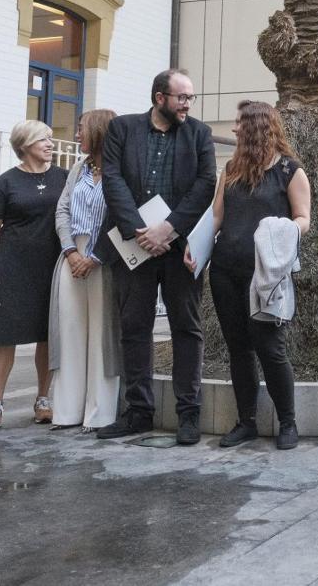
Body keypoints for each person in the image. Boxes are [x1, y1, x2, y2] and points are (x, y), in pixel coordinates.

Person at [99, 69, 216, 445]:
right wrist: (138, 229)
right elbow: (112, 179)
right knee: (134, 327)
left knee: (187, 327)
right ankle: (138, 413)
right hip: (133, 245)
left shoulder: (199, 134)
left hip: (180, 248)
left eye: (190, 98)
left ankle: (188, 414)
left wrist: (168, 229)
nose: (187, 104)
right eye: (181, 97)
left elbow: (205, 185)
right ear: (159, 97)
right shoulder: (123, 129)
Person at [186, 100, 310, 450]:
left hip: (266, 277)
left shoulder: (289, 170)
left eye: (240, 123)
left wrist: (279, 230)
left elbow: (304, 219)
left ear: (257, 127)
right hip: (225, 271)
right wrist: (196, 246)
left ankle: (288, 423)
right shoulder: (231, 169)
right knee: (238, 349)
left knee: (270, 349)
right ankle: (247, 422)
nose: (235, 129)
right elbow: (216, 217)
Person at [0, 120, 68, 429]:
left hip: (53, 267)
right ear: (25, 144)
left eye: (50, 138)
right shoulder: (7, 182)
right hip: (13, 266)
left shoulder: (64, 178)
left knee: (47, 337)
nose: (50, 143)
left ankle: (43, 399)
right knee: (5, 337)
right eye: (43, 139)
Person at [49, 109, 120, 432]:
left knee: (102, 334)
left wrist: (96, 256)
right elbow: (62, 210)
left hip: (104, 260)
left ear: (98, 131)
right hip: (72, 256)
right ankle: (66, 411)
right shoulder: (77, 168)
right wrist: (70, 251)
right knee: (70, 333)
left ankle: (100, 413)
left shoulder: (121, 169)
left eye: (81, 129)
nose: (76, 135)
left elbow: (121, 216)